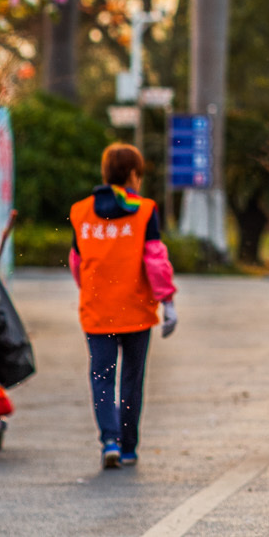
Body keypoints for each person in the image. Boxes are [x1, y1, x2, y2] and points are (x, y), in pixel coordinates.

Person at [70, 143, 177, 469]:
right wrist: (167, 301)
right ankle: (128, 448)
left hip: (97, 310)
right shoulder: (144, 211)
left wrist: (90, 289)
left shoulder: (80, 212)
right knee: (131, 380)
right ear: (133, 174)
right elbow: (155, 260)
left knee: (102, 378)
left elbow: (77, 261)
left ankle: (109, 440)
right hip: (136, 311)